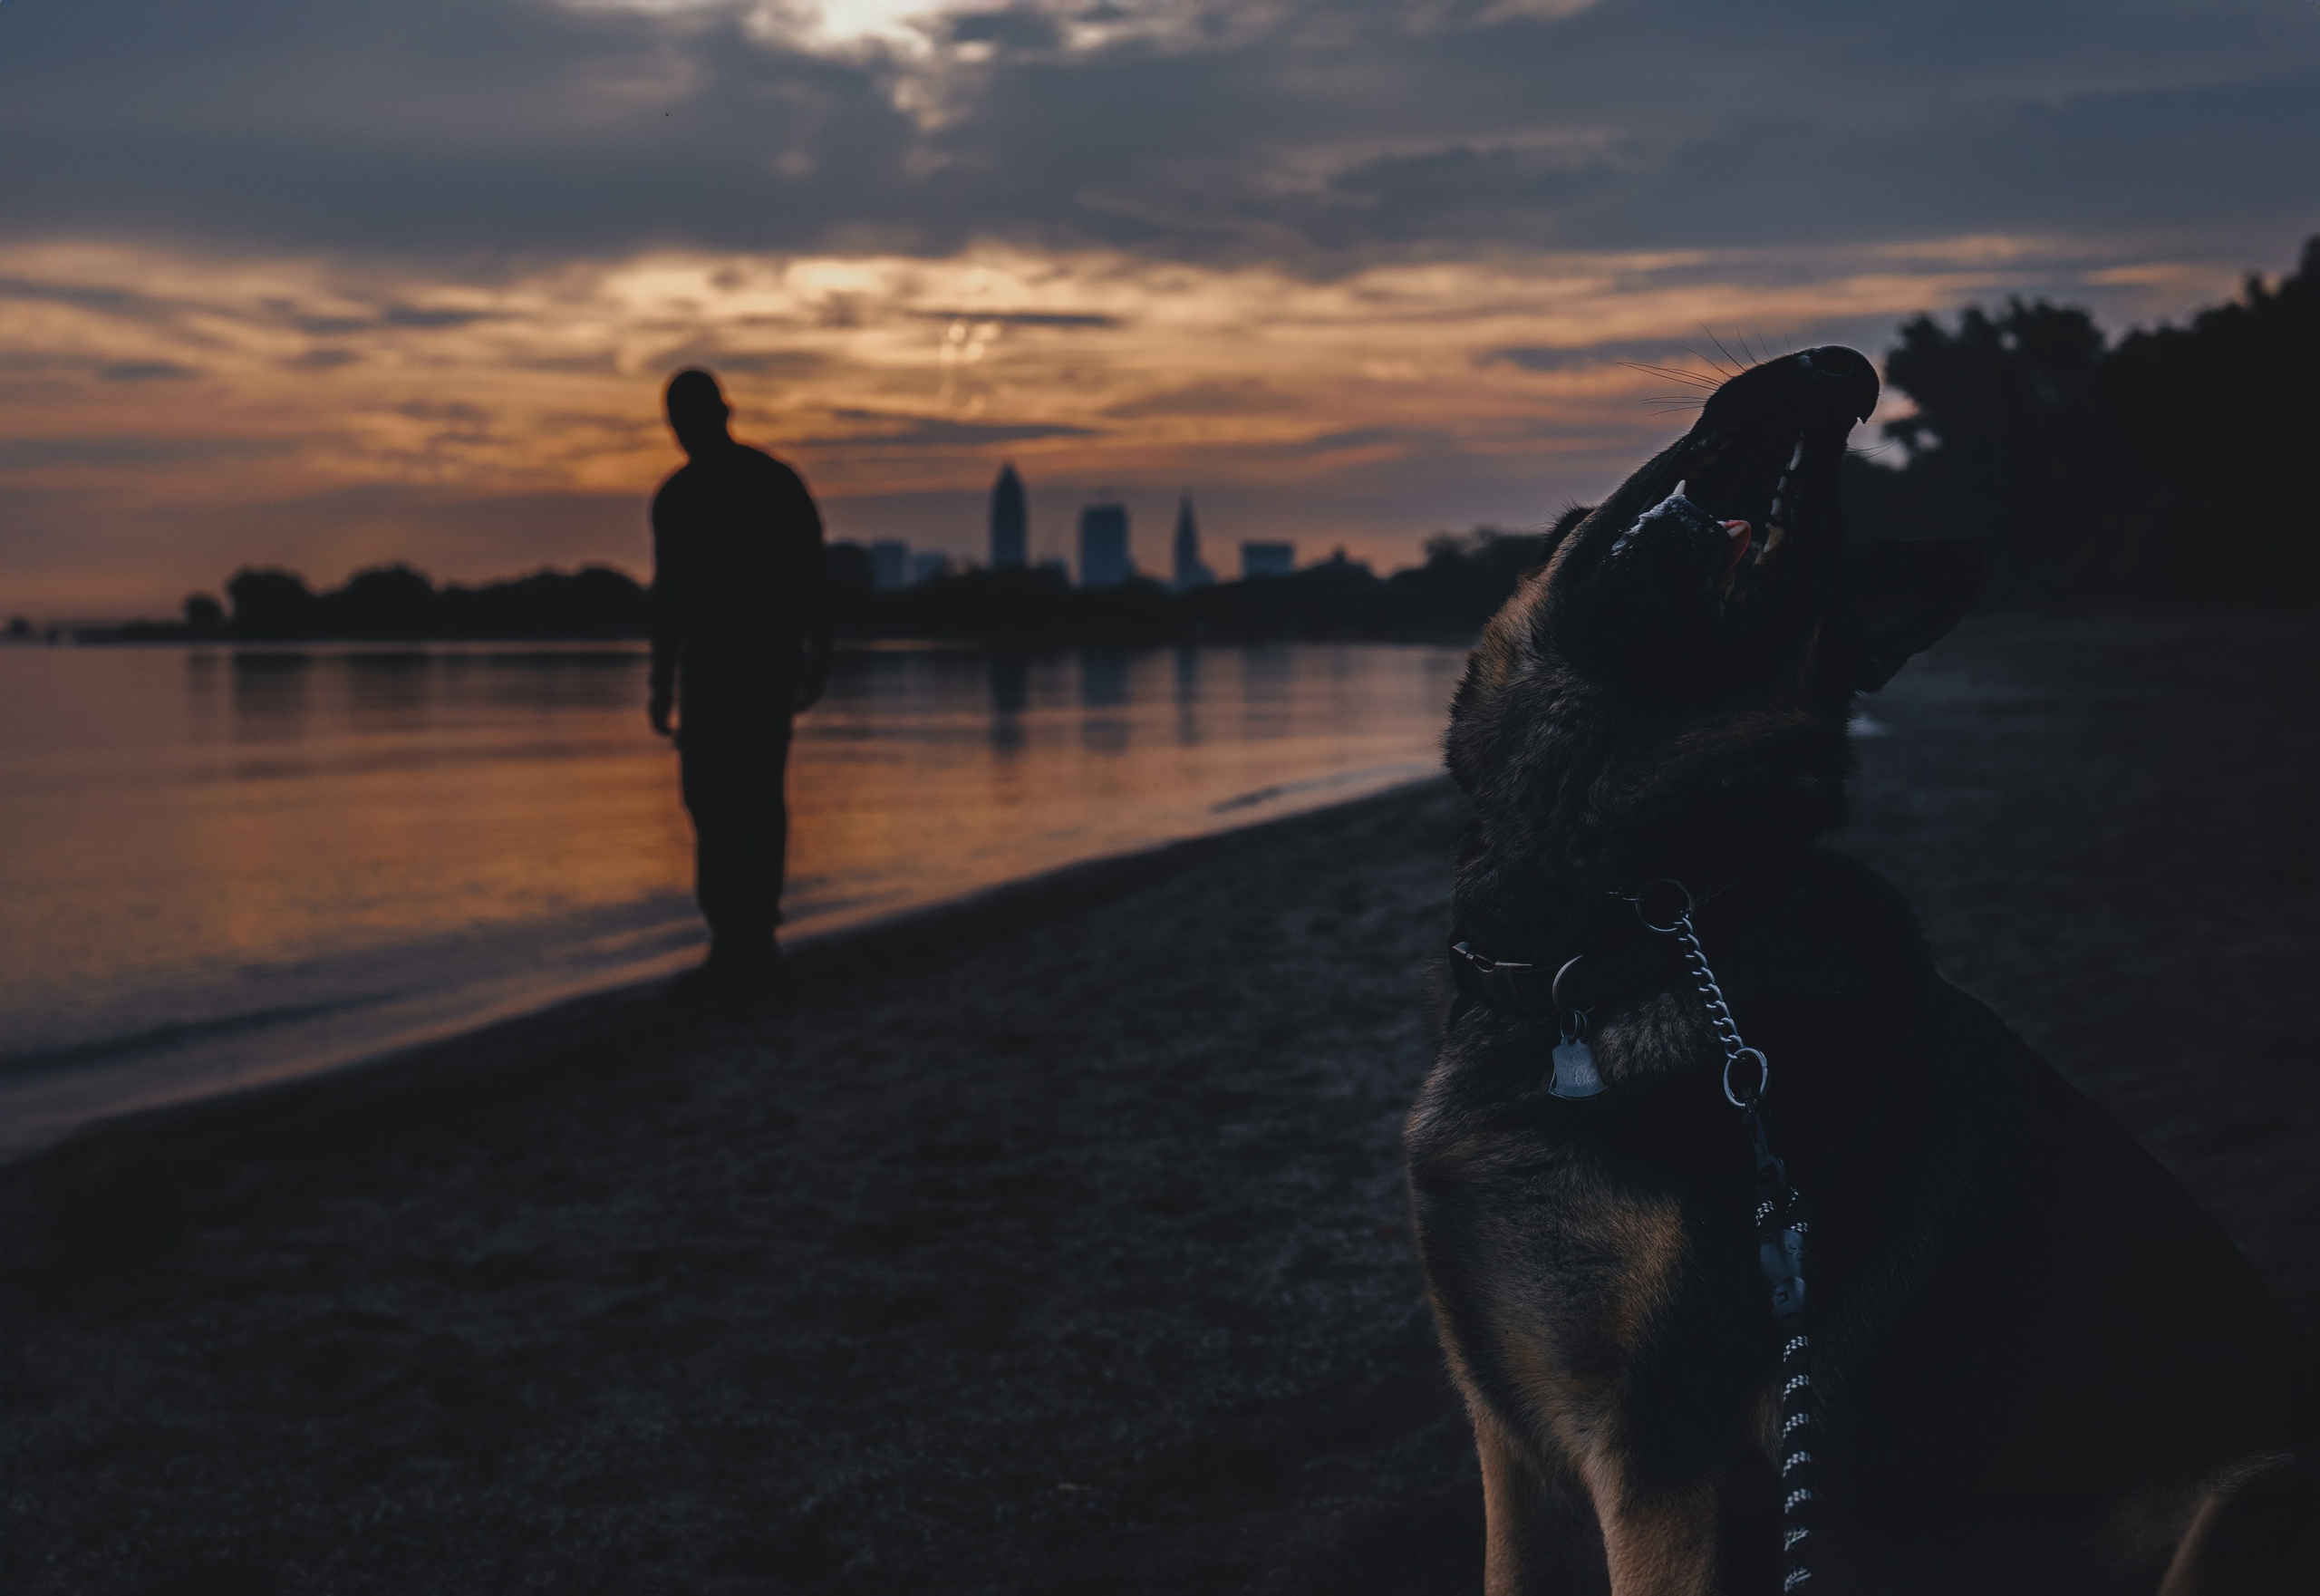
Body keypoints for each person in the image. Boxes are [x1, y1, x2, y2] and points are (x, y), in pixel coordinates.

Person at [649, 368, 832, 993]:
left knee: (755, 795)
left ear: (722, 414)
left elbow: (811, 572)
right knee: (706, 800)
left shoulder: (773, 481)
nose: (689, 433)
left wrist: (818, 654)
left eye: (697, 420)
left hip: (764, 665)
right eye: (680, 424)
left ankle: (756, 931)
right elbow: (669, 595)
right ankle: (729, 930)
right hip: (705, 671)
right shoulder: (674, 497)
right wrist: (660, 681)